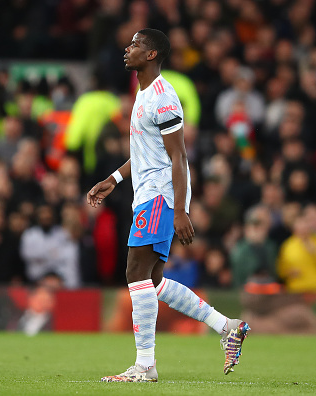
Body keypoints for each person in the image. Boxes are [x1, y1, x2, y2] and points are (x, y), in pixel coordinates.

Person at [87, 29, 249, 383]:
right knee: (153, 281)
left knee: (135, 273)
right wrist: (113, 179)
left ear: (152, 54)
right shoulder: (142, 95)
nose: (128, 49)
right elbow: (145, 152)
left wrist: (179, 210)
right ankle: (228, 326)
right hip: (147, 194)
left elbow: (179, 156)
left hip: (160, 196)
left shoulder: (163, 97)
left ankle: (145, 366)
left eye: (136, 45)